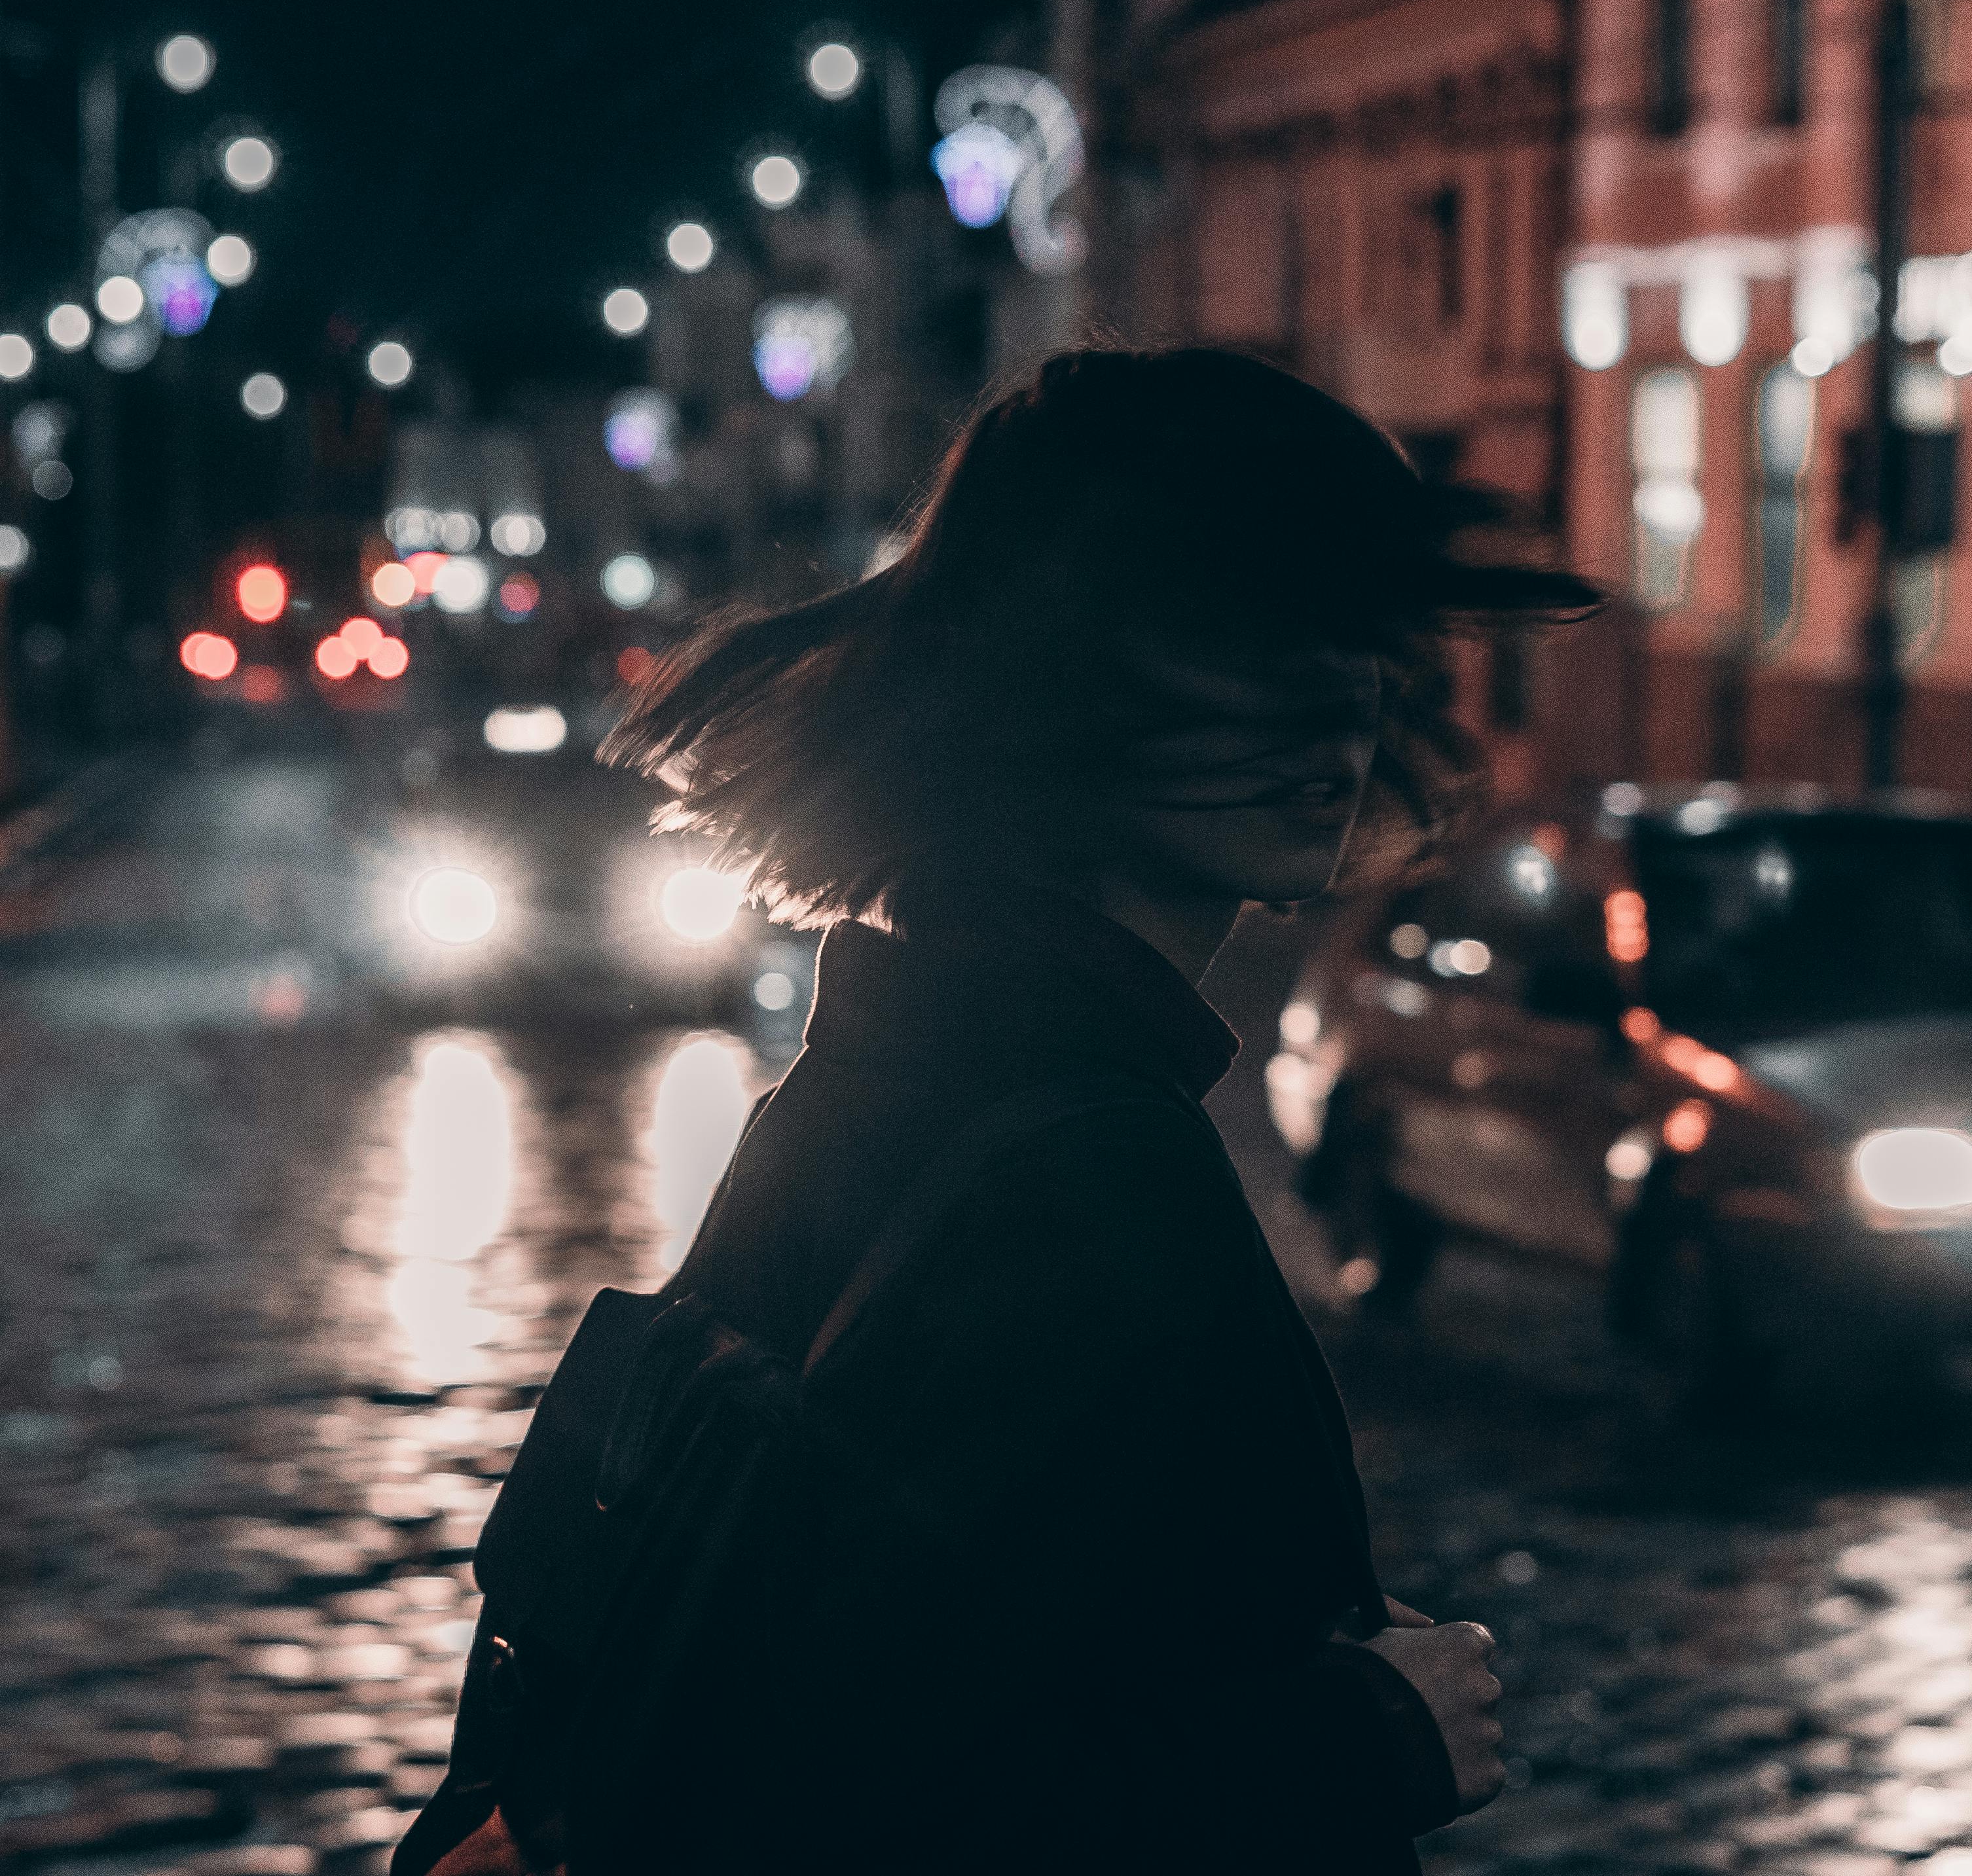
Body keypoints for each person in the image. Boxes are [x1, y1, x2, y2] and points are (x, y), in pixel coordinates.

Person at [410, 348, 1592, 1876]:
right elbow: (848, 1810)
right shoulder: (1081, 1165)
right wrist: (1354, 1740)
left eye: (1346, 625)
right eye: (1225, 626)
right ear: (1058, 669)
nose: (1327, 693)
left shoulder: (902, 1054)